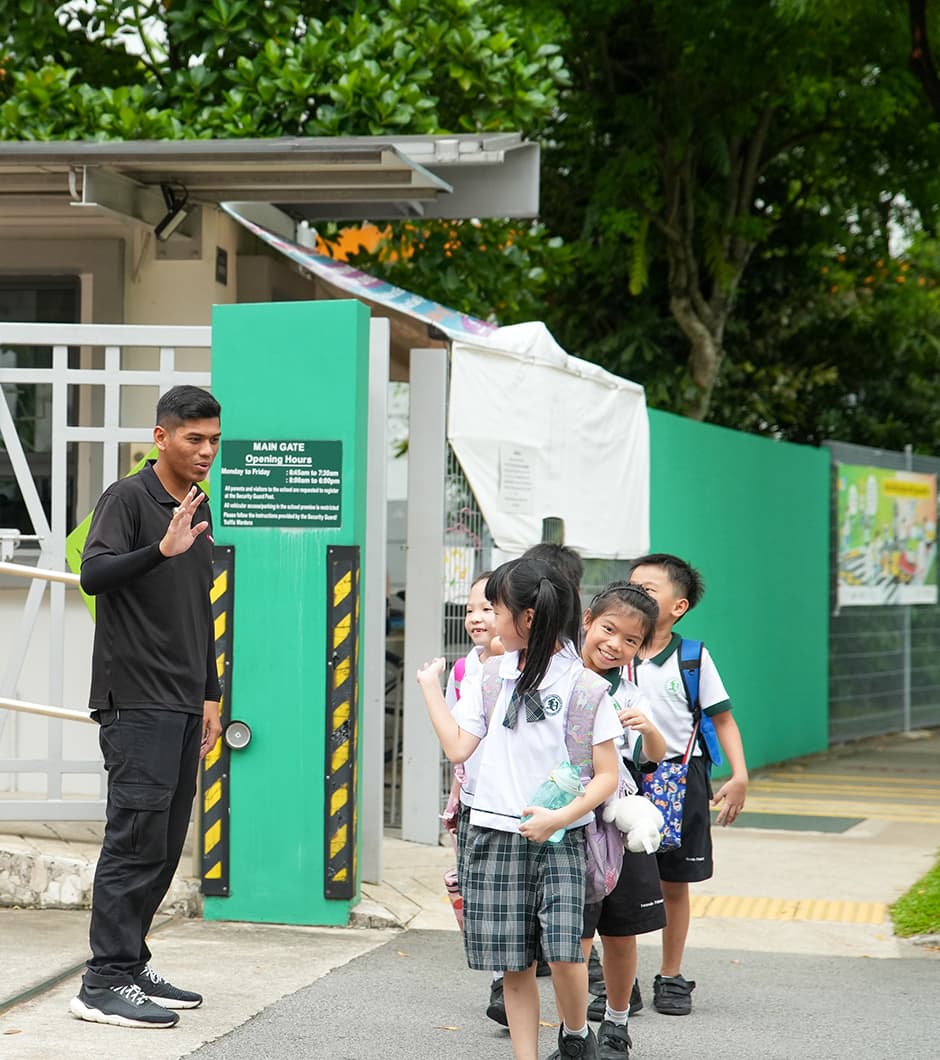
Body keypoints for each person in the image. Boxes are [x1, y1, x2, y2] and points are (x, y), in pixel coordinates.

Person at [417, 557, 623, 1060]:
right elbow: (459, 748)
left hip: (559, 837)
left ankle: (576, 1035)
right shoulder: (490, 676)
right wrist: (429, 688)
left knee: (565, 951)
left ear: (527, 618)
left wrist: (557, 818)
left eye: (498, 608)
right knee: (515, 964)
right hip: (491, 832)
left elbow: (607, 776)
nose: (488, 618)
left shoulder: (584, 686)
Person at [70, 385, 223, 1029]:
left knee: (162, 843)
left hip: (184, 700)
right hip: (136, 697)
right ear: (161, 437)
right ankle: (102, 980)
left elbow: (199, 609)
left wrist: (212, 693)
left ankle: (130, 964)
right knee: (134, 837)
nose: (207, 451)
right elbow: (94, 574)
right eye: (194, 439)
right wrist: (158, 550)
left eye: (214, 440)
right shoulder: (127, 499)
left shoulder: (196, 503)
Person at [627, 553, 749, 1016]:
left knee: (673, 882)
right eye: (631, 585)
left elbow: (724, 720)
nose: (636, 592)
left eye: (649, 589)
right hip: (622, 776)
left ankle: (671, 975)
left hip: (680, 776)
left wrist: (739, 776)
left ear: (678, 606)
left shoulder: (692, 657)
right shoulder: (610, 650)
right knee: (615, 879)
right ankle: (619, 979)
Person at [574, 583, 666, 1059]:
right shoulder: (559, 677)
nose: (615, 645)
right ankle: (573, 1031)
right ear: (588, 620)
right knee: (576, 934)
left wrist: (648, 728)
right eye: (609, 630)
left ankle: (615, 1022)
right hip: (569, 819)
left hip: (620, 823)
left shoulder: (630, 694)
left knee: (621, 931)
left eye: (630, 640)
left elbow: (653, 758)